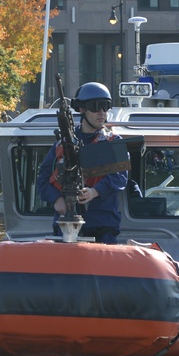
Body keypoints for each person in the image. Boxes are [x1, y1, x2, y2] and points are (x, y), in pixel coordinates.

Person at [37, 82, 127, 244]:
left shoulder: (113, 141)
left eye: (105, 106)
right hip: (66, 224)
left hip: (102, 223)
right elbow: (43, 178)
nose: (101, 112)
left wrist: (94, 191)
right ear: (82, 109)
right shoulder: (63, 144)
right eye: (95, 107)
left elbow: (120, 177)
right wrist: (56, 199)